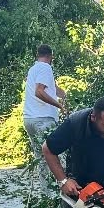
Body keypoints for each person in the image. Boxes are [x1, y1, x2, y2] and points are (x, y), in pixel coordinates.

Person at [22, 45, 65, 174]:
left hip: (29, 119)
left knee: (41, 158)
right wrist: (59, 106)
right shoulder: (46, 67)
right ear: (50, 56)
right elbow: (39, 91)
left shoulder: (33, 69)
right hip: (43, 119)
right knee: (54, 157)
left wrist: (64, 94)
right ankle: (58, 190)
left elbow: (51, 87)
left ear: (38, 55)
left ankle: (45, 193)